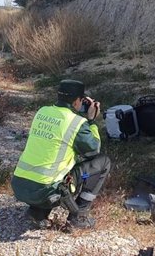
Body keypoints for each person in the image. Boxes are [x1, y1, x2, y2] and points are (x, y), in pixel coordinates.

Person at [11, 79, 111, 229]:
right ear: (78, 101)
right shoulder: (76, 123)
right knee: (103, 163)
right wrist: (90, 121)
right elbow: (93, 149)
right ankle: (79, 216)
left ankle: (37, 212)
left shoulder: (42, 112)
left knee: (52, 166)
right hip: (48, 192)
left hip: (20, 186)